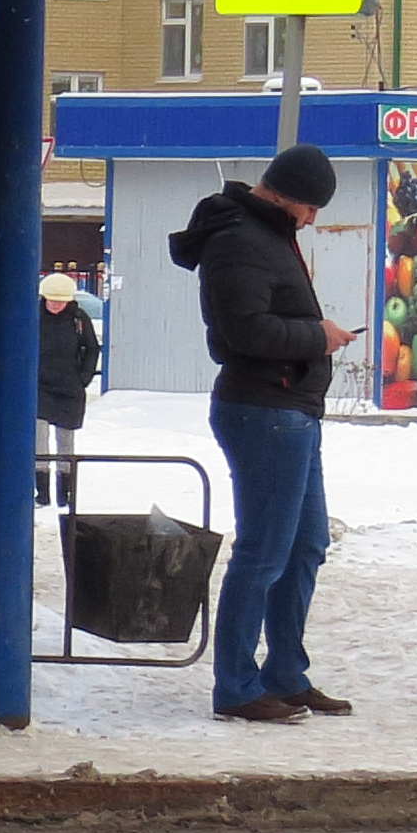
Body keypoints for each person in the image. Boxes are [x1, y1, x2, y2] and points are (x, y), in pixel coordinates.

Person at [170, 143, 352, 725]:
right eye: (311, 207)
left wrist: (314, 340)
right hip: (263, 411)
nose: (314, 219)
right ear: (285, 195)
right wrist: (316, 339)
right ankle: (237, 686)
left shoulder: (270, 236)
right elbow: (243, 331)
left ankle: (284, 675)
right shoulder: (239, 240)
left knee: (305, 546)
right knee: (263, 553)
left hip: (293, 409)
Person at [35, 271, 100, 509]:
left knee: (66, 441)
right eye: (51, 300)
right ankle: (42, 493)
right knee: (39, 440)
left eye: (60, 300)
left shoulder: (79, 319)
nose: (55, 305)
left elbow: (92, 349)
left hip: (69, 389)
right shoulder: (33, 316)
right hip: (39, 388)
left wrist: (83, 377)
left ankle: (66, 494)